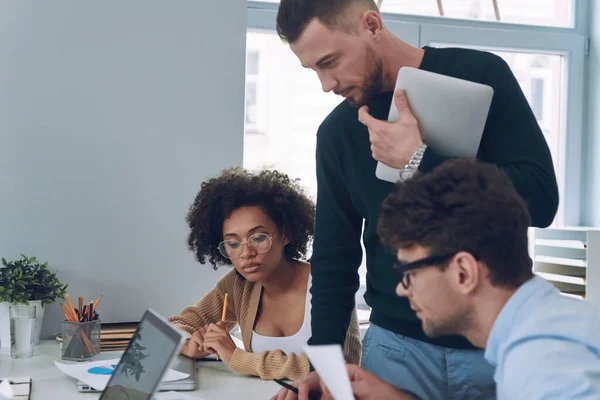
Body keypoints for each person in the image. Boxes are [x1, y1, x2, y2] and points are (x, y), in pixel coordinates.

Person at [275, 0, 559, 397]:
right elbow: (334, 257)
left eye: (330, 61)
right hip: (393, 350)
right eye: (314, 70)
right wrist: (325, 362)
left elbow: (542, 201)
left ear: (371, 24)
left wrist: (419, 160)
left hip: (494, 346)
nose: (326, 84)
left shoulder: (482, 75)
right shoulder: (337, 134)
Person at [274, 158, 600, 400]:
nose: (402, 290)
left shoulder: (542, 364)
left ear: (463, 272)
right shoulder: (545, 325)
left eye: (409, 274)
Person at [168, 168, 361, 380]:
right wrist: (188, 344)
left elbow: (339, 368)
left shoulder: (328, 283)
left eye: (258, 238)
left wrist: (236, 357)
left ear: (285, 234)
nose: (246, 253)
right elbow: (178, 324)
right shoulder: (238, 285)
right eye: (233, 243)